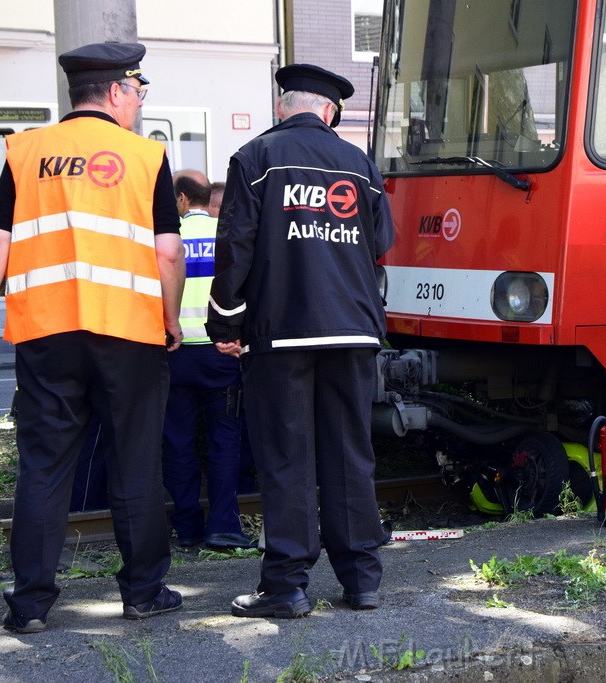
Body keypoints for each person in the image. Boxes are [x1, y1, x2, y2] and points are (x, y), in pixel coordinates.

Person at [0, 42, 185, 633]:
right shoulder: (146, 158)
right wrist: (171, 317)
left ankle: (29, 604)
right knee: (135, 461)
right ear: (116, 92)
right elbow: (167, 254)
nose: (138, 105)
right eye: (138, 93)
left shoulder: (25, 150)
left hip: (47, 334)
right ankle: (143, 592)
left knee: (44, 465)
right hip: (130, 333)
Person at [206, 63, 395, 618]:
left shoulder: (256, 158)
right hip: (355, 328)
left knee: (287, 457)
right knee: (349, 453)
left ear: (284, 105)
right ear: (330, 111)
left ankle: (287, 586)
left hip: (282, 333)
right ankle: (362, 580)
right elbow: (381, 240)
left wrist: (226, 324)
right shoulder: (359, 165)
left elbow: (235, 246)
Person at [162, 169, 254, 550]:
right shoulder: (226, 239)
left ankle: (186, 529)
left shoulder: (169, 239)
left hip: (175, 353)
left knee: (178, 443)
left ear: (182, 199)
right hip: (222, 354)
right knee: (225, 440)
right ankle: (223, 526)